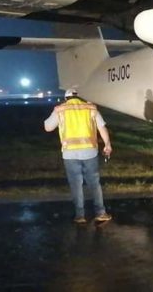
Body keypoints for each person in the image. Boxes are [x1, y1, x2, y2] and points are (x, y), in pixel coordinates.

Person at [44, 88, 113, 224]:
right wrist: (107, 145)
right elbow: (102, 127)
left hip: (70, 153)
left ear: (66, 98)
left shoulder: (61, 109)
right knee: (94, 183)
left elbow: (48, 127)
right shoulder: (90, 108)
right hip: (90, 151)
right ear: (79, 97)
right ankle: (100, 213)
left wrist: (55, 111)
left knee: (76, 184)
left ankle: (80, 215)